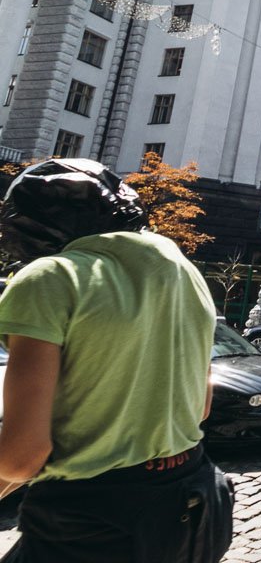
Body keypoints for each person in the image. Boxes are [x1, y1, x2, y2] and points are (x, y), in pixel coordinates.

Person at [0, 158, 233, 562]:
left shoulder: (50, 278)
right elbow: (200, 408)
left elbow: (22, 455)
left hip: (90, 520)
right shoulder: (184, 272)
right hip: (193, 504)